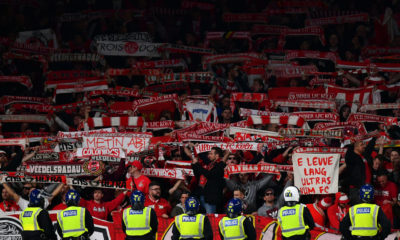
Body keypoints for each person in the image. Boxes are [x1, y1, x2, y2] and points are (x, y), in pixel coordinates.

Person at [192, 146, 226, 213]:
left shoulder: (220, 165)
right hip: (204, 195)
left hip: (212, 199)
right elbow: (199, 175)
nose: (209, 155)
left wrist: (197, 164)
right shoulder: (210, 165)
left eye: (211, 154)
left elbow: (209, 175)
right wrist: (194, 165)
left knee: (211, 218)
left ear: (217, 155)